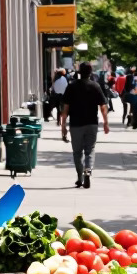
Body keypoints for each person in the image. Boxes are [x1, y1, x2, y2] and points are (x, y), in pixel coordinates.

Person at [59, 61, 111, 189]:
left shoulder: (71, 86)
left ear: (79, 72)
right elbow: (103, 106)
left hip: (76, 123)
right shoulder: (95, 86)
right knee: (90, 149)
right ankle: (88, 169)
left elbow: (65, 108)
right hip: (91, 123)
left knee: (77, 152)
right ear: (90, 72)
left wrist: (63, 126)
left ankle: (79, 177)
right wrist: (106, 122)